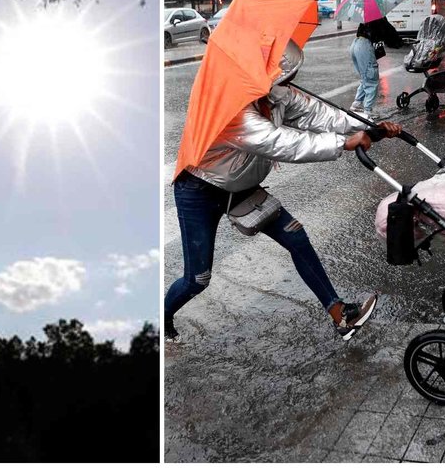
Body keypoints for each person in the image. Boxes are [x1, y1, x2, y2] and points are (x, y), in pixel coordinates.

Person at [166, 40, 403, 342]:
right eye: (288, 77)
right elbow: (281, 142)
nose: (291, 83)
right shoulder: (231, 110)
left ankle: (339, 314)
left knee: (296, 237)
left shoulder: (273, 92)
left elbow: (319, 114)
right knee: (197, 280)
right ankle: (162, 317)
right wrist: (343, 143)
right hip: (200, 191)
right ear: (270, 75)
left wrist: (369, 127)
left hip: (240, 186)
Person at [349, 17, 403, 122]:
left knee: (365, 77)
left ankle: (357, 103)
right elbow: (388, 32)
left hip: (356, 44)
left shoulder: (367, 17)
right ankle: (368, 110)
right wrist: (399, 42)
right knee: (371, 79)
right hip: (365, 46)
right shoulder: (378, 17)